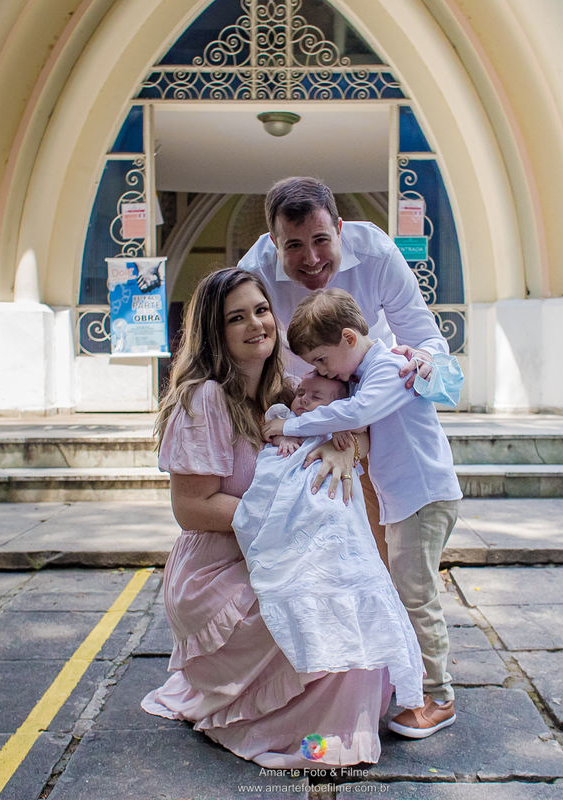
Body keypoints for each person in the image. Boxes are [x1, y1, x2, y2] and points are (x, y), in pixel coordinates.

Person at [141, 267, 392, 769]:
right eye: (237, 317)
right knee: (321, 606)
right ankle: (291, 729)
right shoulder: (204, 399)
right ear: (216, 331)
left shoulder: (294, 388)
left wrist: (350, 449)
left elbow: (364, 427)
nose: (256, 324)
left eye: (260, 310)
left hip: (280, 553)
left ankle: (328, 719)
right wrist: (285, 524)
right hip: (219, 568)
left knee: (356, 598)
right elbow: (190, 508)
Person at [263, 288, 463, 739]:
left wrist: (290, 425)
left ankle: (439, 697)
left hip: (424, 497)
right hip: (406, 499)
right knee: (406, 589)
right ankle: (414, 680)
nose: (319, 371)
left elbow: (357, 411)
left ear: (349, 339)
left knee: (417, 595)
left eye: (320, 360)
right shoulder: (369, 368)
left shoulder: (390, 369)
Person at [238, 176, 452, 562]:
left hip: (367, 406)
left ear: (340, 228)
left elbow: (429, 340)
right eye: (294, 246)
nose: (312, 259)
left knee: (377, 541)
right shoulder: (254, 272)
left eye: (321, 240)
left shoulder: (378, 255)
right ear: (274, 244)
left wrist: (425, 361)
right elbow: (240, 349)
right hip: (290, 398)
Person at [233, 371, 425, 710]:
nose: (303, 399)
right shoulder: (288, 417)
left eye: (315, 396)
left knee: (337, 521)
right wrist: (285, 441)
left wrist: (344, 440)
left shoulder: (339, 425)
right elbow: (272, 431)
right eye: (301, 393)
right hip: (289, 480)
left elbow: (359, 438)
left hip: (329, 492)